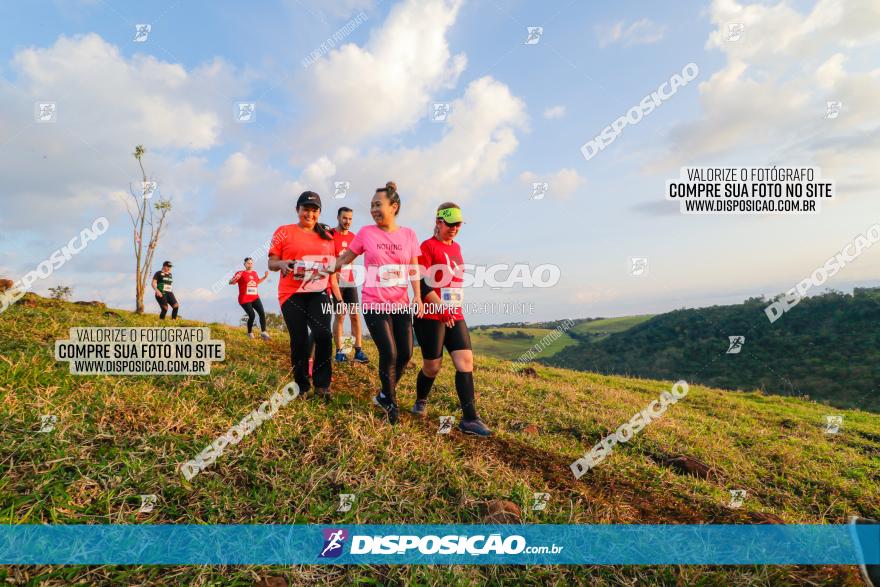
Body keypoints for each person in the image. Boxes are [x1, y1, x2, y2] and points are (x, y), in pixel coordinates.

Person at [332, 181, 423, 424]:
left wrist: (418, 296)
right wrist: (327, 267)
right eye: (371, 205)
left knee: (405, 353)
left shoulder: (409, 234)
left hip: (401, 303)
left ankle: (384, 394)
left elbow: (414, 267)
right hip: (374, 303)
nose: (373, 209)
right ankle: (391, 406)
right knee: (389, 352)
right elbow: (347, 257)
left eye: (378, 204)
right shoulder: (365, 233)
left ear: (394, 206)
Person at [412, 203, 491, 436]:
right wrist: (441, 308)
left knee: (466, 362)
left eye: (458, 224)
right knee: (432, 367)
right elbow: (424, 284)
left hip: (454, 314)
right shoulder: (426, 247)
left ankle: (470, 419)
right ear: (438, 222)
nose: (455, 228)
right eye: (451, 224)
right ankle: (421, 401)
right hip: (430, 315)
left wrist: (452, 307)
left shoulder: (457, 248)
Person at [268, 191, 343, 401]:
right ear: (297, 210)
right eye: (306, 209)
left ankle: (322, 386)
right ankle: (301, 385)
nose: (310, 214)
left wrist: (336, 294)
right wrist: (281, 264)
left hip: (318, 292)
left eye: (314, 210)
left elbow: (333, 268)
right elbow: (271, 263)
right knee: (299, 339)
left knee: (323, 335)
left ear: (319, 212)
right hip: (291, 293)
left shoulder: (327, 236)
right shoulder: (284, 231)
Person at [329, 206, 368, 364]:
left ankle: (357, 350)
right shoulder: (330, 235)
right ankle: (340, 352)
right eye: (345, 218)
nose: (347, 221)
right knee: (340, 315)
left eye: (350, 219)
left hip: (350, 281)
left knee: (355, 316)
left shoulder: (354, 237)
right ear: (338, 217)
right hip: (335, 282)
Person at [229, 257, 270, 340]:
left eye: (251, 263)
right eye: (248, 263)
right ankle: (249, 333)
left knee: (262, 313)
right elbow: (231, 282)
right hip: (244, 299)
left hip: (255, 297)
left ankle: (264, 332)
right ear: (244, 264)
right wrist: (234, 280)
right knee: (252, 315)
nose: (250, 264)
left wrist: (264, 277)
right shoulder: (240, 273)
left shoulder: (254, 273)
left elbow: (256, 282)